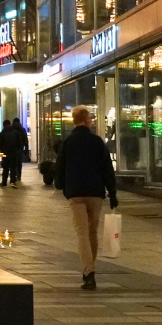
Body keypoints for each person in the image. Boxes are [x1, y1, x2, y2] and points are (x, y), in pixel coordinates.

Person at [54, 105, 118, 290]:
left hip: (75, 192)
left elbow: (60, 167)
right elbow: (107, 168)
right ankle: (90, 268)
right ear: (87, 120)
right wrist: (112, 192)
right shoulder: (97, 141)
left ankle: (88, 272)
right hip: (95, 192)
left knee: (81, 232)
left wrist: (62, 187)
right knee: (92, 232)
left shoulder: (68, 142)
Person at [0, 119, 26, 188]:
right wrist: (17, 150)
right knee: (13, 167)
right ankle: (13, 181)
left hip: (5, 153)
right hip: (14, 153)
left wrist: (2, 150)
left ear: (3, 125)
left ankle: (4, 182)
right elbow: (20, 143)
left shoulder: (2, 133)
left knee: (5, 168)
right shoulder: (15, 133)